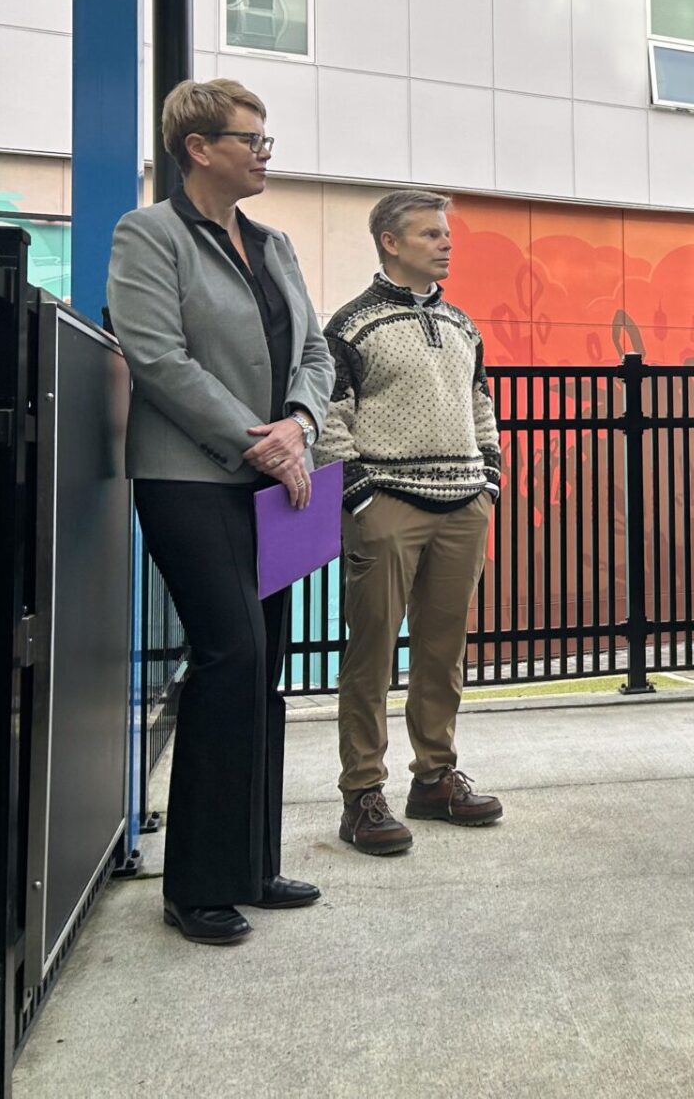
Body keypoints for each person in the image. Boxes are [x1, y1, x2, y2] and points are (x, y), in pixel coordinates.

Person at [107, 78, 334, 945]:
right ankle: (193, 885)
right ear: (198, 147)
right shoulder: (149, 235)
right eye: (252, 140)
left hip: (276, 479)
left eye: (267, 140)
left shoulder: (274, 244)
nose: (264, 154)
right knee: (229, 653)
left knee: (263, 664)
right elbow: (158, 357)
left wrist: (303, 424)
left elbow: (313, 348)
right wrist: (255, 438)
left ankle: (250, 863)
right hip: (188, 479)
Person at [315, 190, 505, 854]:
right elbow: (330, 418)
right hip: (387, 504)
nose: (445, 244)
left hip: (463, 506)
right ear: (391, 243)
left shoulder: (461, 323)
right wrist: (360, 493)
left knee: (441, 653)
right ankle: (362, 794)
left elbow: (482, 406)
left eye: (445, 234)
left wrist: (490, 477)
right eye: (430, 234)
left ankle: (434, 778)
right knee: (369, 654)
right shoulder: (350, 325)